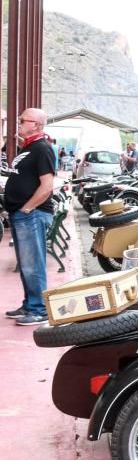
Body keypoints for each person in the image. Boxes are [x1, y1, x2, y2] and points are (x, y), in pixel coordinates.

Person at [4, 108, 56, 326]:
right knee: (26, 263)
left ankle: (39, 309)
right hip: (22, 214)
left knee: (32, 263)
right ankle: (30, 303)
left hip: (31, 215)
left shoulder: (42, 149)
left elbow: (47, 186)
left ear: (37, 125)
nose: (18, 123)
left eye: (23, 120)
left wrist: (27, 208)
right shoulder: (29, 148)